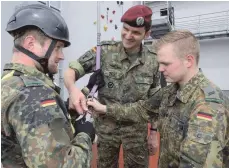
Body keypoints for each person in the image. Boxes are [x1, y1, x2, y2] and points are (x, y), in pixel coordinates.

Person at [87, 30, 229, 168]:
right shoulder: (171, 92)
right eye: (159, 63)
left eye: (166, 64)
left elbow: (198, 162)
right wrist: (104, 108)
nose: (160, 69)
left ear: (188, 61)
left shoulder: (207, 105)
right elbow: (140, 110)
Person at [64, 4, 162, 168]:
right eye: (125, 29)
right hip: (106, 130)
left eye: (136, 32)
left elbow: (155, 102)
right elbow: (71, 71)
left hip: (136, 133)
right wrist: (73, 90)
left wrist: (153, 133)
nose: (128, 35)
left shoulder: (153, 60)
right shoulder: (104, 52)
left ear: (147, 34)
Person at [1, 4, 95, 168]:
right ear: (30, 43)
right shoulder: (34, 95)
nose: (62, 56)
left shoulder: (9, 81)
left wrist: (65, 113)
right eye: (57, 47)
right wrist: (85, 135)